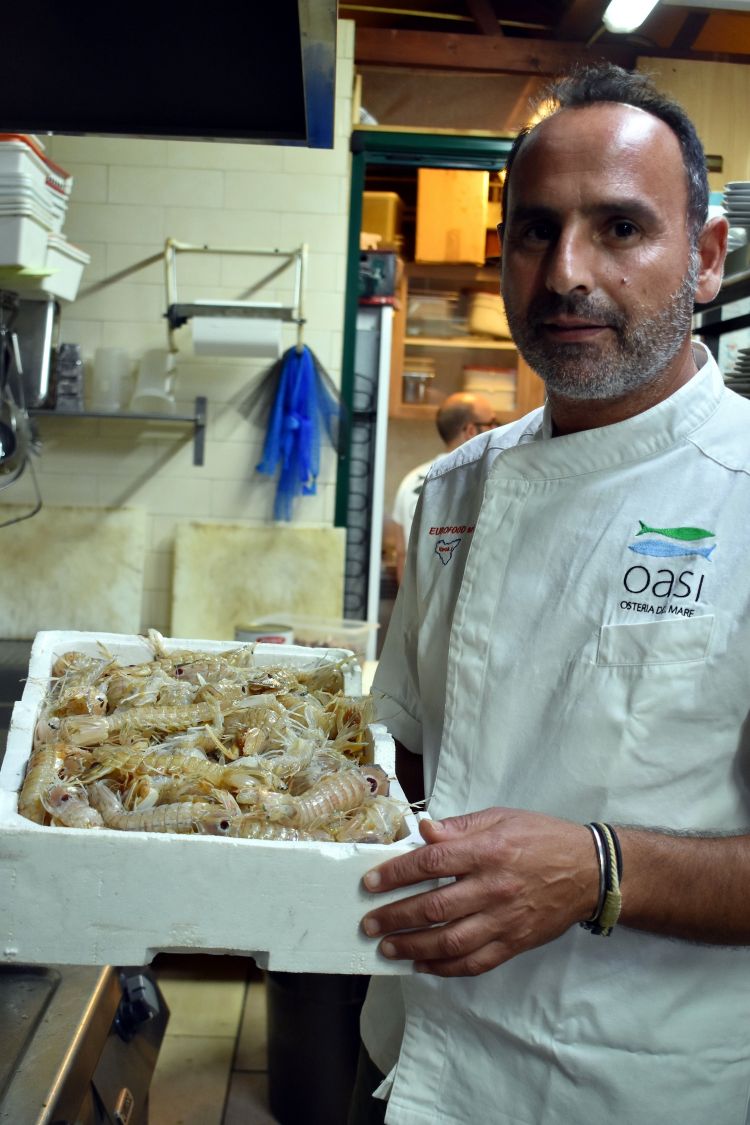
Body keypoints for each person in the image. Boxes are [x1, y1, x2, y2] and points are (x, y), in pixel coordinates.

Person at [350, 62, 750, 1125]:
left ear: (705, 260)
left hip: (630, 1086)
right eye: (535, 231)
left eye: (620, 228)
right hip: (414, 1062)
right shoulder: (451, 489)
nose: (565, 271)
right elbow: (410, 759)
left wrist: (598, 868)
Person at [391, 392, 497, 582]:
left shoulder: (411, 480)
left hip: (420, 605)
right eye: (491, 423)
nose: (496, 429)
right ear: (471, 430)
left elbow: (402, 554)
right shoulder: (488, 482)